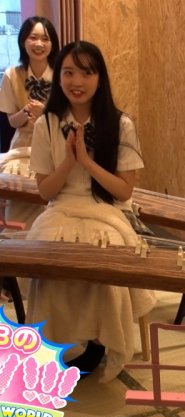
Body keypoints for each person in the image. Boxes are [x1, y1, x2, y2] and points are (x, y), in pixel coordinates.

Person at [26, 41, 156, 381]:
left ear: (100, 77)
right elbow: (45, 192)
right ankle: (54, 345)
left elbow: (123, 191)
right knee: (52, 265)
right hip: (60, 209)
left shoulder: (121, 124)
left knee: (103, 260)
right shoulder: (46, 124)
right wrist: (69, 162)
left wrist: (86, 161)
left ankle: (100, 340)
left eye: (87, 72)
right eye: (69, 72)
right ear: (59, 77)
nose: (77, 81)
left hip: (106, 210)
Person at [0, 16, 60, 229]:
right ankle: (17, 239)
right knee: (16, 184)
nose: (39, 44)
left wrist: (44, 113)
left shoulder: (63, 75)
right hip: (22, 147)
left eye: (45, 39)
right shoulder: (12, 75)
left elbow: (68, 121)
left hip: (54, 146)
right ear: (23, 41)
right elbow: (12, 122)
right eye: (33, 37)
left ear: (53, 44)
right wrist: (26, 111)